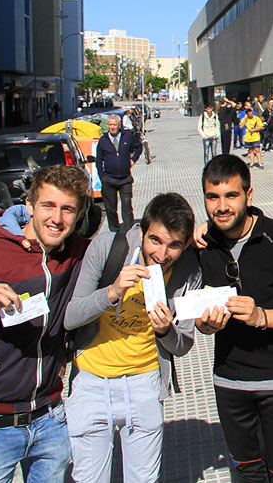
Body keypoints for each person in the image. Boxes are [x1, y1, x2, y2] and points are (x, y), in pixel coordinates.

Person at [193, 155, 273, 482]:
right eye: (213, 197)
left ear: (249, 196)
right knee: (247, 472)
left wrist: (261, 316)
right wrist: (203, 324)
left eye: (231, 196)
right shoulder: (203, 245)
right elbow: (194, 306)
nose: (222, 206)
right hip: (230, 380)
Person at [0, 165, 90, 482]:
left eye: (67, 209)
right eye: (48, 206)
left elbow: (130, 245)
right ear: (29, 205)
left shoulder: (77, 253)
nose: (57, 219)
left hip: (51, 421)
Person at [64, 193, 202, 482]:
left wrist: (165, 330)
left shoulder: (189, 271)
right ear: (141, 231)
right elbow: (70, 317)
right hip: (92, 381)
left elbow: (184, 344)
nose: (162, 255)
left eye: (174, 245)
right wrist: (112, 292)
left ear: (186, 243)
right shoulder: (108, 247)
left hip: (144, 384)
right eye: (155, 240)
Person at [96, 114, 142, 232]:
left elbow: (139, 146)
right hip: (109, 179)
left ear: (119, 125)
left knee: (126, 205)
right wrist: (102, 176)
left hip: (125, 179)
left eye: (114, 125)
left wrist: (133, 160)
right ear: (107, 126)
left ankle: (129, 230)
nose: (112, 127)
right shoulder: (103, 140)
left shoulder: (127, 136)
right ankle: (114, 231)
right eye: (110, 125)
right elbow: (99, 160)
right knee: (111, 208)